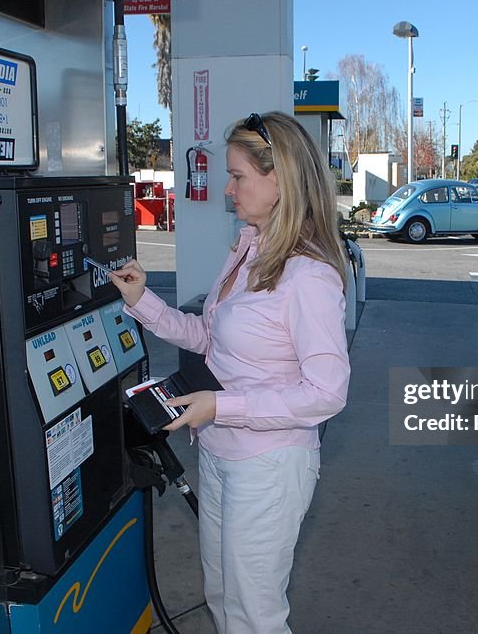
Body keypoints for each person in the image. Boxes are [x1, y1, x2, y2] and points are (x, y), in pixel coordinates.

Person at [109, 111, 350, 634]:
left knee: (254, 617)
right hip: (219, 455)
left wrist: (224, 405)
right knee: (221, 597)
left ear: (279, 180)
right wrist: (141, 300)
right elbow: (210, 340)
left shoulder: (309, 275)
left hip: (268, 467)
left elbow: (327, 393)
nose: (228, 188)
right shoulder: (248, 249)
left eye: (238, 176)